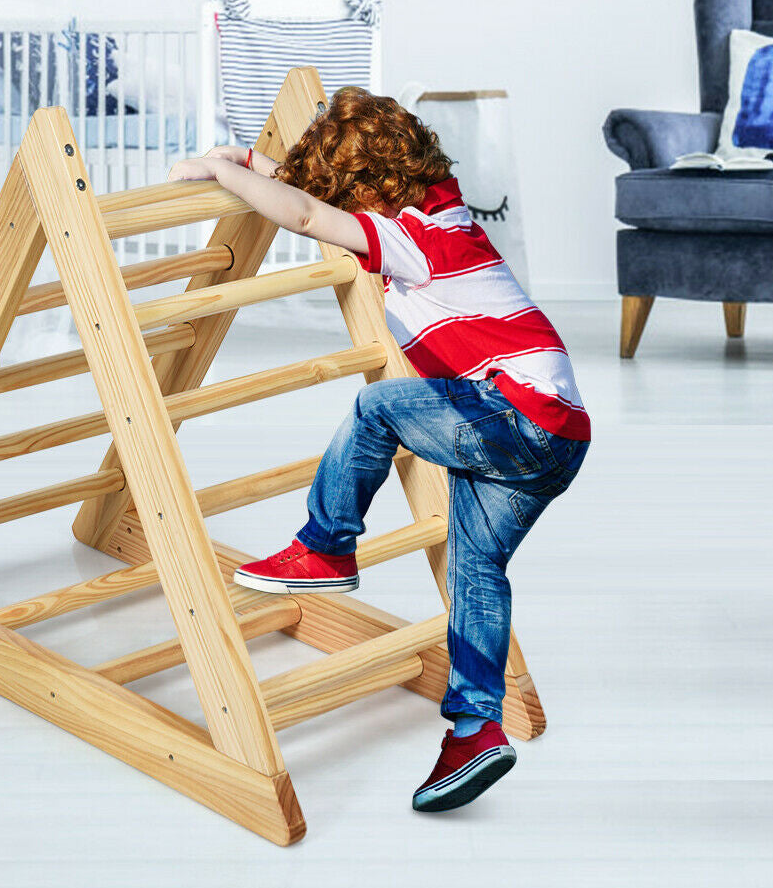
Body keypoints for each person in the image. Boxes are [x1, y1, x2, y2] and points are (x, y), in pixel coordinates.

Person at [168, 87, 589, 812]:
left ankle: (326, 546)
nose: (347, 218)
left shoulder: (413, 241)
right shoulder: (441, 203)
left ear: (370, 192)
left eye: (351, 199)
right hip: (559, 432)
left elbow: (305, 215)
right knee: (476, 571)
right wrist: (250, 157)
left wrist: (226, 177)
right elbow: (316, 201)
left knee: (378, 406)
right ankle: (475, 732)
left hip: (517, 415)